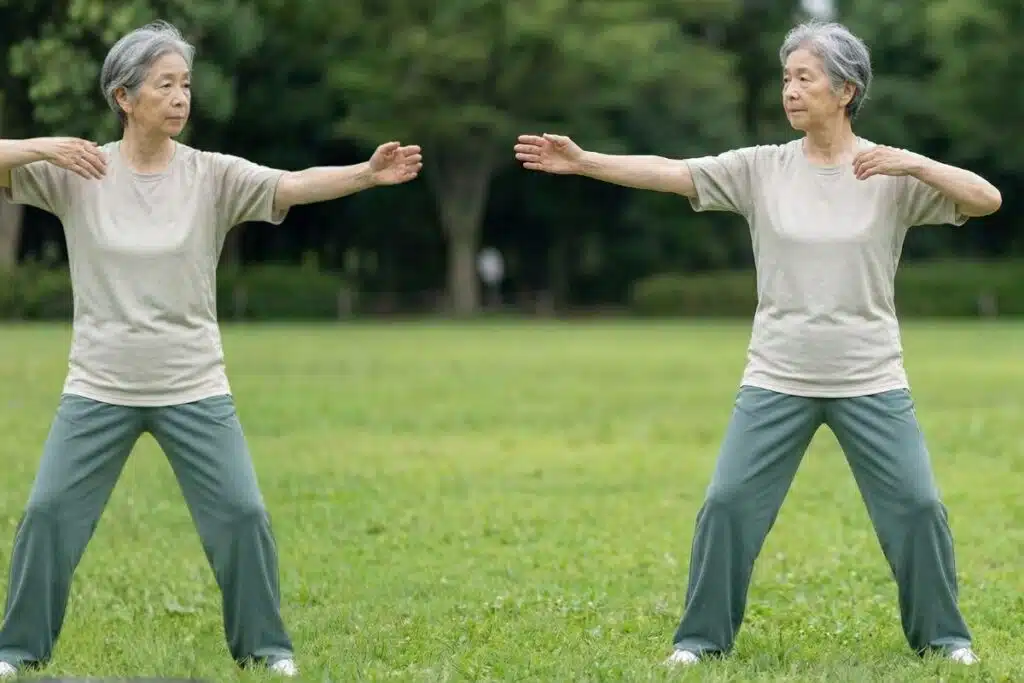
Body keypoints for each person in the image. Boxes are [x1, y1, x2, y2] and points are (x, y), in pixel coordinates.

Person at [514, 20, 1000, 668]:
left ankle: (945, 636)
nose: (790, 90)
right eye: (785, 78)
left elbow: (987, 199)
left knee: (917, 506)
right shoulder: (762, 169)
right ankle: (698, 640)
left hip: (870, 376)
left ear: (846, 89)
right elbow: (671, 172)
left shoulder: (887, 172)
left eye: (805, 78)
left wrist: (911, 161)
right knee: (727, 503)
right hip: (777, 374)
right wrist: (584, 162)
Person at [0, 21, 422, 680]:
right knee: (48, 513)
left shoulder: (210, 176)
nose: (179, 98)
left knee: (243, 514)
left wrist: (366, 174)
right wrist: (37, 146)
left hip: (193, 383)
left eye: (185, 84)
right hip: (99, 385)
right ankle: (17, 649)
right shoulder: (78, 172)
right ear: (124, 95)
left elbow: (291, 185)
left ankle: (265, 646)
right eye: (164, 85)